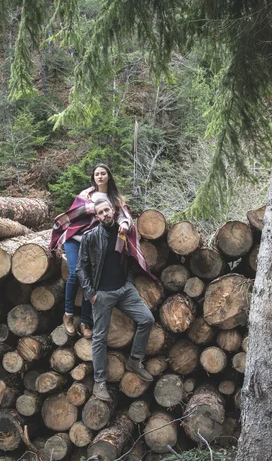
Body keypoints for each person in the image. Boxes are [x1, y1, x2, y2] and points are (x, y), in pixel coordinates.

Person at [76, 197, 155, 401]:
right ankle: (99, 382)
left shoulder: (123, 233)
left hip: (124, 289)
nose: (105, 215)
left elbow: (127, 259)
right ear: (97, 216)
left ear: (112, 210)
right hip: (101, 294)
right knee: (100, 338)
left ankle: (134, 360)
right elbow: (80, 268)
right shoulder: (90, 237)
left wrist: (128, 282)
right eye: (100, 213)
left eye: (107, 210)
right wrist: (91, 294)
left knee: (147, 319)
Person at [50, 163, 133, 338]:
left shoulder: (116, 199)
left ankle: (85, 321)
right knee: (74, 274)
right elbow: (72, 215)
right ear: (93, 177)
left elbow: (125, 216)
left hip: (95, 243)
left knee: (91, 279)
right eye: (97, 174)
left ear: (109, 176)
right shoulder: (86, 194)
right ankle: (68, 314)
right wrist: (89, 209)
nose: (100, 176)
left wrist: (124, 223)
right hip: (76, 239)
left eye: (103, 173)